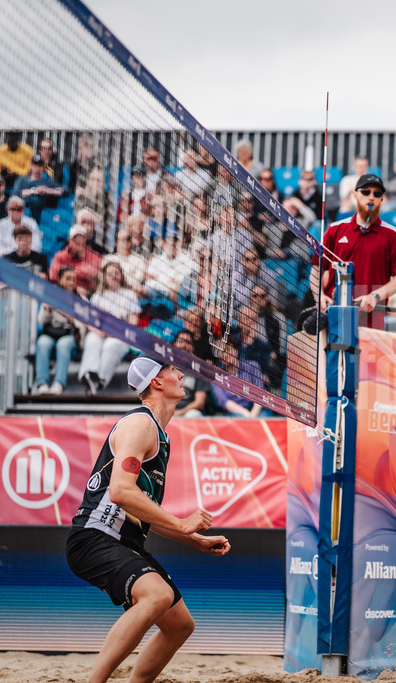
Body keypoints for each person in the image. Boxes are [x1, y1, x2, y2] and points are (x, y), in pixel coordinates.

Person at [65, 355, 230, 683]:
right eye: (173, 370)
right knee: (157, 595)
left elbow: (144, 512)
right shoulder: (140, 424)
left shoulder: (159, 434)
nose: (180, 375)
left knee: (180, 625)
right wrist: (182, 523)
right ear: (156, 382)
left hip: (123, 540)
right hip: (95, 536)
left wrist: (195, 540)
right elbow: (120, 492)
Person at [312, 174, 396, 329]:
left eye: (377, 194)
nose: (371, 197)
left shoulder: (393, 234)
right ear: (355, 194)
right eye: (366, 192)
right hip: (334, 313)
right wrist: (319, 296)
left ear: (382, 199)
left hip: (372, 317)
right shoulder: (335, 229)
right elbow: (317, 268)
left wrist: (375, 296)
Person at [79, 261, 142, 395]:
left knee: (110, 346)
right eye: (110, 274)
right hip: (100, 332)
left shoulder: (129, 295)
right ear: (104, 276)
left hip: (120, 335)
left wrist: (116, 332)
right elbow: (90, 321)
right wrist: (98, 331)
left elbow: (133, 321)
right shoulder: (98, 296)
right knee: (91, 340)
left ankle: (99, 380)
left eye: (116, 273)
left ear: (121, 275)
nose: (113, 276)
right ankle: (89, 374)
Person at [34, 267, 85, 395]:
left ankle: (59, 383)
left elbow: (82, 325)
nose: (71, 282)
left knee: (63, 345)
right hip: (51, 331)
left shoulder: (81, 300)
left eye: (73, 279)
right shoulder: (51, 296)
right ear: (60, 280)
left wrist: (67, 315)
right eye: (68, 278)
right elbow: (41, 321)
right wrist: (47, 309)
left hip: (69, 333)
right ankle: (42, 383)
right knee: (42, 343)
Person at [50, 225, 102, 298]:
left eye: (82, 238)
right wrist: (80, 273)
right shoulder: (60, 256)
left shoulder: (94, 256)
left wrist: (67, 274)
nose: (80, 240)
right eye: (76, 238)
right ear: (69, 240)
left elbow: (92, 273)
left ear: (85, 241)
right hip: (62, 289)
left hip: (86, 294)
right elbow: (53, 276)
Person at [12, 153, 63, 225]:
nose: (38, 168)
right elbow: (15, 193)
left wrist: (48, 190)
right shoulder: (22, 179)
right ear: (31, 166)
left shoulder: (47, 181)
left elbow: (64, 190)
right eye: (35, 165)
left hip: (41, 209)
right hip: (23, 207)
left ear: (43, 167)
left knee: (37, 200)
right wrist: (34, 191)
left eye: (40, 166)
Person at [172, 330, 213, 417]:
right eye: (181, 341)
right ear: (175, 345)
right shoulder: (165, 366)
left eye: (188, 342)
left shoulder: (199, 370)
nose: (184, 345)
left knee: (193, 414)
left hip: (188, 412)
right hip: (168, 409)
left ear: (192, 347)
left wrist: (180, 413)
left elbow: (200, 402)